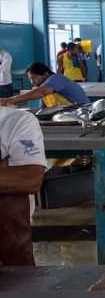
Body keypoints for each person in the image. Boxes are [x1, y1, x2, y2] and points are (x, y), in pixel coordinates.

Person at [0, 106, 47, 265]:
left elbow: (29, 179)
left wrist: (15, 176)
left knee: (19, 285)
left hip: (9, 243)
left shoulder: (17, 121)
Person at [0, 62, 90, 108]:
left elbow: (43, 92)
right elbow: (43, 110)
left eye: (34, 77)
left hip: (83, 114)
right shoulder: (45, 89)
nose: (32, 82)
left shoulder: (56, 79)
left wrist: (12, 99)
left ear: (46, 74)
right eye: (30, 79)